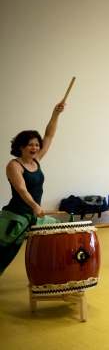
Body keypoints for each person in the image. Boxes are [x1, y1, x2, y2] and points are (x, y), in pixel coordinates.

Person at [1, 101, 65, 276]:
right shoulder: (14, 165)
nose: (35, 148)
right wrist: (35, 206)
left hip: (33, 216)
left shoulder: (36, 160)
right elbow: (22, 190)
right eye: (31, 145)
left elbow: (49, 135)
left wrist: (56, 113)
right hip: (17, 214)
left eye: (37, 145)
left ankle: (51, 272)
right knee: (4, 256)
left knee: (61, 230)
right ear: (21, 146)